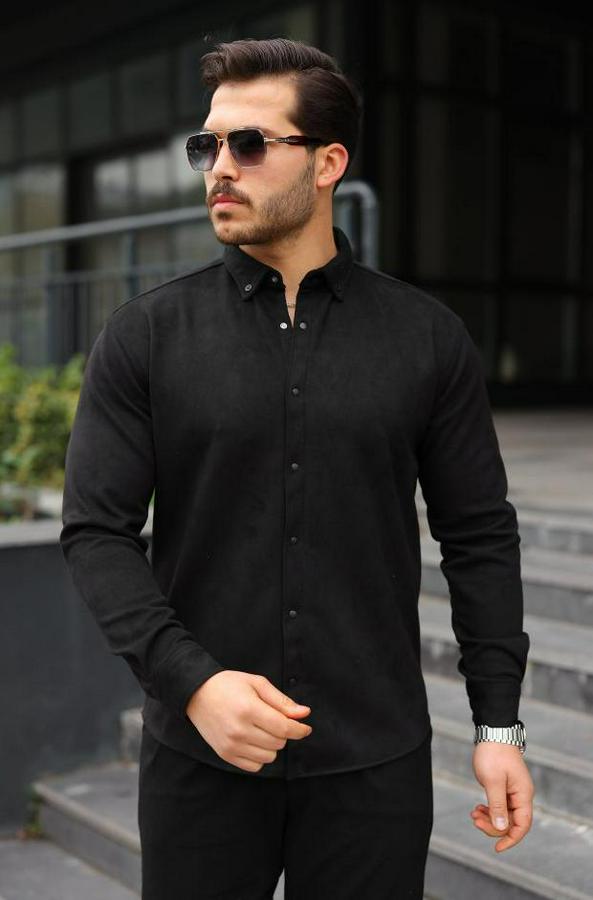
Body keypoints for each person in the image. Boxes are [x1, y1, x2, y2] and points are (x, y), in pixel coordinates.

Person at [59, 36, 534, 900]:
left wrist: (497, 725)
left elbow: (478, 536)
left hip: (374, 764)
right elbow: (96, 532)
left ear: (327, 163)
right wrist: (193, 683)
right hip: (199, 760)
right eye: (207, 145)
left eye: (248, 144)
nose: (219, 168)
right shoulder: (145, 336)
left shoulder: (427, 338)